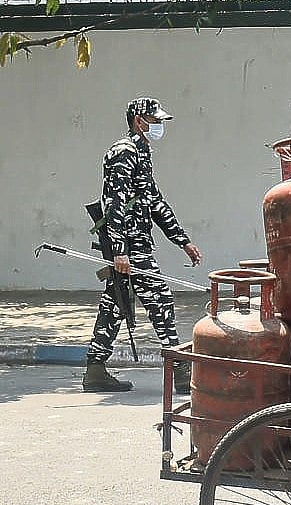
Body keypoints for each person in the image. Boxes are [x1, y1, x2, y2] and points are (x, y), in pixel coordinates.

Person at [83, 97, 202, 394]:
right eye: (156, 120)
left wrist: (182, 240)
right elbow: (115, 202)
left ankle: (95, 369)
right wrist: (120, 249)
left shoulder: (141, 151)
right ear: (139, 120)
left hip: (136, 241)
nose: (159, 126)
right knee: (160, 298)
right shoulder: (124, 152)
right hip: (130, 243)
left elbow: (154, 201)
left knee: (115, 304)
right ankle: (179, 369)